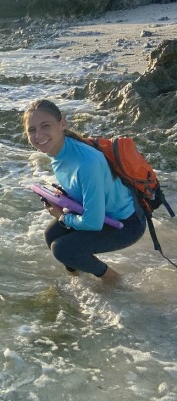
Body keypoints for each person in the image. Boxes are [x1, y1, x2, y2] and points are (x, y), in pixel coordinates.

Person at [23, 99, 146, 283]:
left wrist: (62, 216)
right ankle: (77, 281)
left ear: (62, 124)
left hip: (126, 223)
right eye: (32, 130)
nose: (38, 135)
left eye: (45, 126)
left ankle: (115, 281)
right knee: (52, 235)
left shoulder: (87, 162)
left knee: (63, 248)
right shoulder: (60, 151)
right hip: (104, 214)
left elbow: (93, 222)